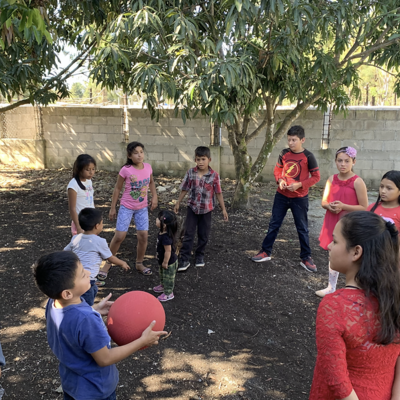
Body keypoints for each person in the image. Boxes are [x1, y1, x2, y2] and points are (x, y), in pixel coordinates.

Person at [33, 251, 167, 400]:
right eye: (82, 274)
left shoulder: (53, 302)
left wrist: (93, 309)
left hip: (71, 383)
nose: (89, 273)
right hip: (95, 390)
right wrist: (142, 341)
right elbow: (105, 359)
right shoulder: (86, 320)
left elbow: (71, 322)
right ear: (67, 294)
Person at [309, 211, 400, 400]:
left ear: (356, 252)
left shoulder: (334, 306)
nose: (329, 246)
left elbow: (337, 381)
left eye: (335, 241)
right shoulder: (394, 298)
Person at [251, 125, 320, 272]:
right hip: (281, 196)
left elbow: (316, 177)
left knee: (302, 228)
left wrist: (299, 185)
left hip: (300, 198)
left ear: (302, 140)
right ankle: (265, 252)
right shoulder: (284, 153)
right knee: (274, 224)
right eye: (289, 140)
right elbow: (278, 170)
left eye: (294, 140)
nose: (291, 143)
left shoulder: (308, 156)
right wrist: (280, 180)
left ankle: (306, 257)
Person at [98, 142, 158, 280]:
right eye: (136, 153)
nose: (139, 155)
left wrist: (154, 196)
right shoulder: (126, 170)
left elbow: (151, 182)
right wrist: (113, 207)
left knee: (143, 236)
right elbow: (118, 188)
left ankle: (139, 263)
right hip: (126, 207)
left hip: (142, 208)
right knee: (119, 236)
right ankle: (108, 263)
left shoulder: (148, 167)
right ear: (129, 156)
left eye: (141, 152)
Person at [315, 147, 368, 298]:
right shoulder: (331, 179)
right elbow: (324, 201)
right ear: (335, 161)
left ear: (353, 162)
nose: (343, 164)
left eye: (347, 161)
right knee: (333, 252)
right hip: (333, 221)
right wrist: (329, 206)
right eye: (340, 161)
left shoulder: (358, 182)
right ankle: (331, 287)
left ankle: (354, 288)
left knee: (352, 254)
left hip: (350, 224)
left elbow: (364, 207)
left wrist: (343, 206)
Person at [174, 146, 228, 271]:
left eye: (203, 159)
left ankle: (199, 255)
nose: (200, 162)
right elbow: (185, 188)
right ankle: (185, 258)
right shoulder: (190, 173)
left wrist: (223, 209)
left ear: (209, 160)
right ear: (195, 160)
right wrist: (178, 202)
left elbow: (218, 193)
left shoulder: (214, 175)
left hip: (206, 210)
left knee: (203, 234)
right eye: (198, 159)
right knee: (188, 233)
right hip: (192, 208)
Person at [64, 208, 130, 306]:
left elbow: (65, 251)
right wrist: (122, 263)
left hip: (74, 276)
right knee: (88, 304)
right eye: (102, 223)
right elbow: (110, 258)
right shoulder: (99, 241)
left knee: (77, 300)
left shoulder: (76, 238)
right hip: (88, 279)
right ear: (97, 226)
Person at [153, 210, 179, 302]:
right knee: (162, 274)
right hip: (162, 259)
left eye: (158, 219)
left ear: (164, 225)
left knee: (168, 278)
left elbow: (168, 251)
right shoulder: (162, 233)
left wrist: (165, 262)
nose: (156, 219)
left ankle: (168, 293)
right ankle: (163, 285)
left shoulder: (166, 238)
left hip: (169, 262)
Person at [67, 154, 96, 236]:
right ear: (79, 169)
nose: (91, 172)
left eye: (93, 169)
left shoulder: (89, 181)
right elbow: (72, 208)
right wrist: (78, 227)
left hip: (91, 220)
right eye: (87, 170)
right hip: (81, 222)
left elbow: (90, 201)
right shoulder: (73, 185)